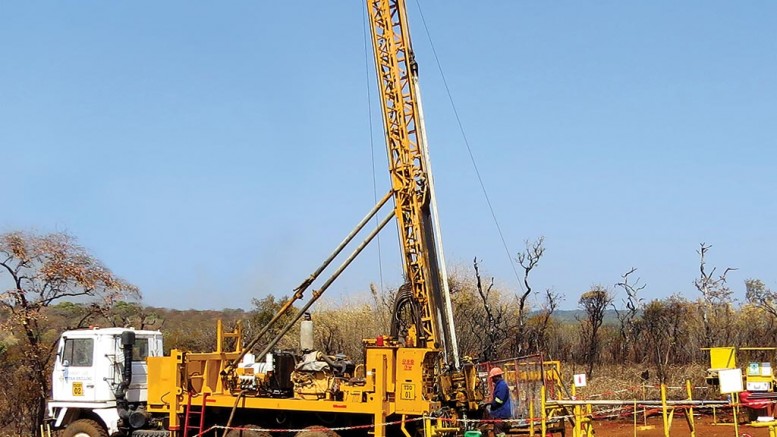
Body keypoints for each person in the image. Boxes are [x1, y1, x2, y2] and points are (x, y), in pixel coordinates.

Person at [483, 367, 512, 436]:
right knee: (498, 432)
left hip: (501, 414)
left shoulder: (501, 385)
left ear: (496, 377)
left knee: (498, 433)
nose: (492, 379)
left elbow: (499, 400)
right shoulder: (499, 385)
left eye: (492, 377)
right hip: (500, 413)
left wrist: (489, 403)